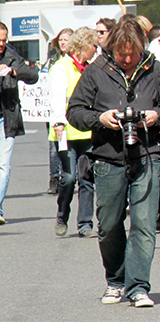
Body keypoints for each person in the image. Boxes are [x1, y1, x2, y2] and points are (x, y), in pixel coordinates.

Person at [66, 17, 160, 307]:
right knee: (108, 224)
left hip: (147, 154)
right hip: (108, 156)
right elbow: (75, 111)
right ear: (112, 48)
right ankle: (116, 280)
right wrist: (100, 118)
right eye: (122, 53)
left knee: (144, 223)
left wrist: (157, 115)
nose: (128, 59)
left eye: (133, 53)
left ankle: (138, 286)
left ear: (141, 48)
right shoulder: (96, 71)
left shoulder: (158, 70)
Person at [49, 27, 99, 237]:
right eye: (94, 46)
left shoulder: (91, 69)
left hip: (87, 132)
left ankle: (85, 224)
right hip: (66, 132)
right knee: (69, 178)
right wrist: (58, 122)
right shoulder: (61, 68)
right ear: (84, 45)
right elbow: (57, 98)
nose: (96, 50)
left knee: (87, 178)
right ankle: (62, 215)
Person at [0, 21, 40, 225]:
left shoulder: (11, 55)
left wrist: (14, 72)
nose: (1, 44)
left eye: (4, 40)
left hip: (6, 117)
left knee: (3, 165)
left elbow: (33, 75)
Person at [47, 28, 75, 195]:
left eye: (66, 39)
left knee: (66, 152)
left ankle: (64, 177)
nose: (63, 42)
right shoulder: (53, 60)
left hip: (70, 116)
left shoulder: (75, 62)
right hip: (54, 112)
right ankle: (54, 178)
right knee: (54, 148)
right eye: (61, 39)